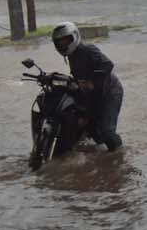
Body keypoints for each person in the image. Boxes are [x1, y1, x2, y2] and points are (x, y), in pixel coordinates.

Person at [51, 22, 123, 151]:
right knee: (91, 127)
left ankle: (119, 154)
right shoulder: (71, 57)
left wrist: (92, 81)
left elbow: (108, 65)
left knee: (107, 131)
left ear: (75, 37)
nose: (64, 45)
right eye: (60, 42)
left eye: (66, 40)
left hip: (110, 92)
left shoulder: (88, 49)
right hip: (93, 95)